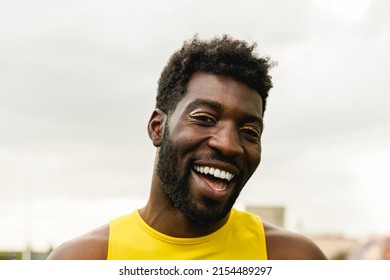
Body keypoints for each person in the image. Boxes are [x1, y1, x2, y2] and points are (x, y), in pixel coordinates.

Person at [47, 35, 326, 260]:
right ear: (158, 127)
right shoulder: (82, 261)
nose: (229, 145)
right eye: (204, 118)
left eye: (249, 131)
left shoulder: (292, 259)